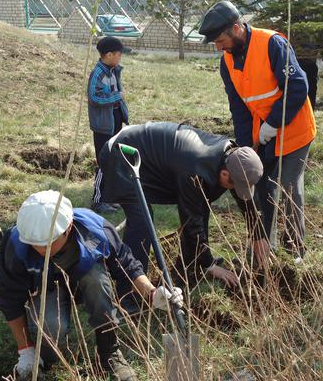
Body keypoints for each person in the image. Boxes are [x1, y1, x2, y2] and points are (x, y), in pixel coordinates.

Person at [0, 190, 183, 380]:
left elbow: (127, 265)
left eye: (49, 243)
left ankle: (109, 353)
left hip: (84, 279)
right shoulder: (16, 245)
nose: (43, 250)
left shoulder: (96, 230)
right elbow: (10, 300)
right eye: (36, 244)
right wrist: (25, 351)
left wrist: (153, 293)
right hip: (46, 287)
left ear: (68, 228)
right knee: (51, 327)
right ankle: (43, 358)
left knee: (96, 278)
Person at [198, 1, 316, 262]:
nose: (218, 47)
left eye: (220, 40)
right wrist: (244, 149)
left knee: (287, 186)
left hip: (295, 128)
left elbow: (297, 87)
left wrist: (273, 123)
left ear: (237, 28)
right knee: (260, 184)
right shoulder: (227, 62)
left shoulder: (272, 44)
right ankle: (265, 249)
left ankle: (296, 249)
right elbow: (238, 108)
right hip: (260, 133)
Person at [98, 122, 265, 301]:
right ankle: (130, 293)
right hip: (122, 153)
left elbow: (245, 199)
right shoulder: (193, 170)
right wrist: (209, 264)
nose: (235, 190)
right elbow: (191, 219)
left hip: (149, 149)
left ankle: (191, 266)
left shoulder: (233, 157)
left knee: (199, 205)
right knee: (142, 223)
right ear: (225, 174)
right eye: (234, 185)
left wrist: (258, 235)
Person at [88, 36, 129, 214]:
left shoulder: (113, 71)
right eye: (119, 54)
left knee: (114, 160)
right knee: (104, 161)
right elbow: (94, 97)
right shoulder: (98, 73)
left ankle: (110, 197)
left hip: (114, 123)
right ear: (109, 54)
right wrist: (117, 96)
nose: (120, 57)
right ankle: (98, 200)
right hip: (103, 126)